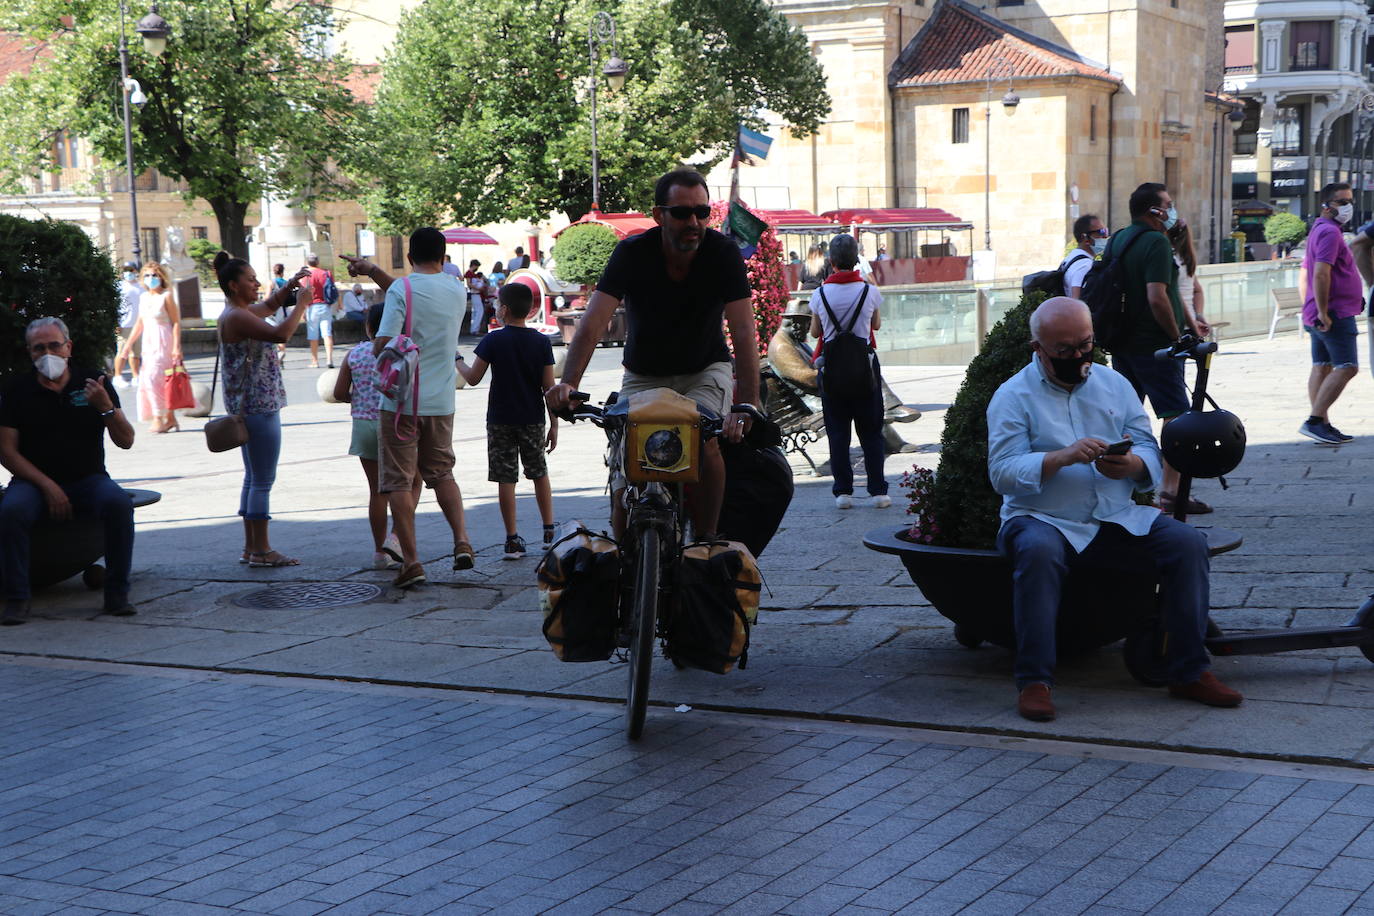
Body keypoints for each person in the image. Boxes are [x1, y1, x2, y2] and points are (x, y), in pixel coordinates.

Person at [988, 297, 1242, 722]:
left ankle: (1188, 670)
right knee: (1038, 551)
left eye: (1084, 345)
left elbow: (1145, 443)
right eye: (1064, 350)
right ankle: (1034, 680)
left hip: (1115, 515)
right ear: (1038, 347)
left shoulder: (1114, 384)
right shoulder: (1012, 396)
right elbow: (1002, 473)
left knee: (1187, 544)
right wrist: (1060, 458)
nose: (1077, 356)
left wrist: (1134, 464)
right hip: (1041, 517)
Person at [545, 168, 760, 540]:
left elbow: (743, 330)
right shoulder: (632, 253)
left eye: (702, 213)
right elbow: (594, 322)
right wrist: (568, 384)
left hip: (704, 369)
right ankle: (623, 561)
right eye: (681, 213)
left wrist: (749, 404)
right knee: (623, 457)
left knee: (705, 440)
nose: (693, 222)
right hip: (644, 374)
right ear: (659, 215)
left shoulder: (722, 253)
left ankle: (706, 544)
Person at [342, 228, 475, 589]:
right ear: (443, 256)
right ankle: (461, 540)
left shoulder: (402, 289)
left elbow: (381, 343)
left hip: (401, 404)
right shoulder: (457, 289)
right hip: (442, 401)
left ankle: (412, 561)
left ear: (411, 256)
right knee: (442, 474)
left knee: (399, 481)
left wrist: (388, 339)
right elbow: (414, 292)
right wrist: (372, 271)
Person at [0, 317, 137, 623]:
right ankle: (17, 598)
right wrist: (48, 486)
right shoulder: (17, 390)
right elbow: (6, 451)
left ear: (68, 347)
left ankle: (117, 594)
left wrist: (105, 407)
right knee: (11, 511)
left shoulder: (93, 383)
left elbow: (126, 440)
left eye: (54, 345)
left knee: (118, 504)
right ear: (29, 352)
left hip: (88, 478)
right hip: (33, 482)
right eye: (39, 348)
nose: (47, 353)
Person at [1108, 182, 1210, 516]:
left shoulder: (1120, 238)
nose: (1172, 209)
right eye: (1169, 204)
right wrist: (1177, 336)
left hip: (1122, 342)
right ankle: (1170, 491)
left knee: (1126, 416)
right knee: (1176, 418)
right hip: (1154, 345)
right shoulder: (1154, 241)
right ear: (1155, 211)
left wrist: (1192, 326)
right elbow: (1158, 295)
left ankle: (1127, 488)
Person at [213, 251, 311, 568]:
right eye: (250, 279)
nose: (256, 283)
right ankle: (262, 550)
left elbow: (269, 306)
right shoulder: (237, 316)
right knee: (262, 480)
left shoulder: (236, 312)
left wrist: (289, 287)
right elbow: (280, 333)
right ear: (233, 284)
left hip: (249, 404)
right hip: (259, 404)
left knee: (252, 477)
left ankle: (250, 547)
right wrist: (301, 305)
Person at [457, 283, 558, 559]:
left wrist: (457, 359)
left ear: (504, 309)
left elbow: (473, 377)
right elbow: (549, 388)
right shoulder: (541, 341)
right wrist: (555, 425)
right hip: (533, 419)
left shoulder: (493, 340)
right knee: (539, 472)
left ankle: (512, 539)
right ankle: (549, 531)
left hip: (500, 420)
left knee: (506, 478)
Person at [333, 303, 420, 570]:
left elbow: (338, 393)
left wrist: (358, 399)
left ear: (368, 326)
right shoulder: (402, 352)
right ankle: (396, 537)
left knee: (377, 492)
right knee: (412, 481)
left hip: (363, 424)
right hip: (393, 423)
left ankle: (378, 552)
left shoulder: (354, 354)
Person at [808, 234, 889, 509]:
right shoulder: (870, 292)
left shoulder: (819, 294)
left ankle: (843, 491)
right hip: (864, 367)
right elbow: (874, 326)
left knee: (838, 432)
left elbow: (815, 332)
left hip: (832, 369)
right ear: (856, 260)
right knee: (871, 431)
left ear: (831, 261)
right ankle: (878, 491)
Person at [1297, 182, 1362, 445]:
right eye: (1341, 202)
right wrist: (1323, 311)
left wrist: (1309, 308)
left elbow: (1305, 272)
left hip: (1320, 310)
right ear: (1326, 205)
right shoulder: (1330, 233)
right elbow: (1321, 272)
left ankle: (1322, 424)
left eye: (1349, 201)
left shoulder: (1319, 230)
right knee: (1347, 367)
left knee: (1321, 366)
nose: (1347, 207)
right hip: (1333, 312)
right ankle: (1314, 421)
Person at [120, 260, 183, 434]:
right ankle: (169, 417)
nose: (150, 278)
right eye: (147, 275)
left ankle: (158, 417)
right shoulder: (144, 297)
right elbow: (139, 324)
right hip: (149, 341)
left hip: (163, 340)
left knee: (154, 377)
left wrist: (176, 347)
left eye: (154, 275)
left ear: (161, 276)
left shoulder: (166, 296)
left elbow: (176, 322)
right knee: (153, 378)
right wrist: (128, 345)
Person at [1167, 220, 1210, 342]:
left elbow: (1175, 295)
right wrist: (1198, 316)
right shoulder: (1186, 260)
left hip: (1178, 324)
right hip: (1191, 325)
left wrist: (1193, 323)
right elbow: (1197, 291)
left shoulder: (1170, 260)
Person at [112, 260, 142, 388]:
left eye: (131, 270)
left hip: (138, 324)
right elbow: (114, 306)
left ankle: (136, 376)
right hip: (124, 324)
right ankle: (118, 376)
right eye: (126, 270)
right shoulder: (119, 287)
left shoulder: (142, 287)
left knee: (135, 353)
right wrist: (115, 323)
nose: (128, 273)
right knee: (122, 352)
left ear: (136, 272)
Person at [1064, 214, 1106, 299]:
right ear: (1085, 237)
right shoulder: (1085, 265)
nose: (1105, 236)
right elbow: (1076, 300)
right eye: (1101, 232)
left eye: (1106, 231)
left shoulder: (1072, 257)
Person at [304, 254, 335, 369]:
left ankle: (315, 361)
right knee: (327, 333)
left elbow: (304, 293)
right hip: (325, 306)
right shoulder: (326, 273)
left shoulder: (306, 276)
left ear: (307, 262)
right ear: (317, 262)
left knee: (313, 335)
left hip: (312, 306)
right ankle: (329, 359)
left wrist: (303, 309)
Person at [464, 260, 487, 335]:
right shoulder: (469, 273)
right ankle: (475, 329)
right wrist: (478, 288)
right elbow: (469, 284)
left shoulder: (473, 274)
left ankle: (473, 329)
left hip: (476, 294)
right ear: (474, 265)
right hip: (475, 293)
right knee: (479, 311)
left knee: (475, 312)